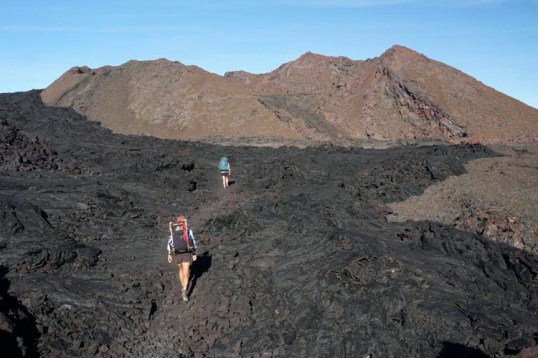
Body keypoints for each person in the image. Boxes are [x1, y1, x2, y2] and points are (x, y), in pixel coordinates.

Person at [167, 215, 197, 302]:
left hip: (177, 254)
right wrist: (194, 253)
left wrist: (169, 254)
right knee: (186, 271)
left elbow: (170, 242)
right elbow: (193, 242)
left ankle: (183, 286)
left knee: (180, 270)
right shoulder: (187, 230)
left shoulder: (173, 231)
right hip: (186, 253)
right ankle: (184, 289)